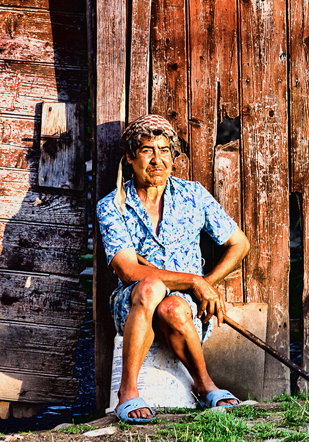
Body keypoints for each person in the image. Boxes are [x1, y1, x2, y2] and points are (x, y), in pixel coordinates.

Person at [97, 114, 250, 424]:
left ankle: (204, 385)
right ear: (130, 157)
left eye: (165, 151)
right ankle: (127, 392)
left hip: (185, 306)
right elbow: (128, 271)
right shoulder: (113, 204)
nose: (157, 160)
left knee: (174, 308)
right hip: (133, 303)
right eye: (147, 150)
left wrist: (206, 284)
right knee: (150, 287)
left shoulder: (193, 195)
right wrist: (193, 280)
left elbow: (239, 244)